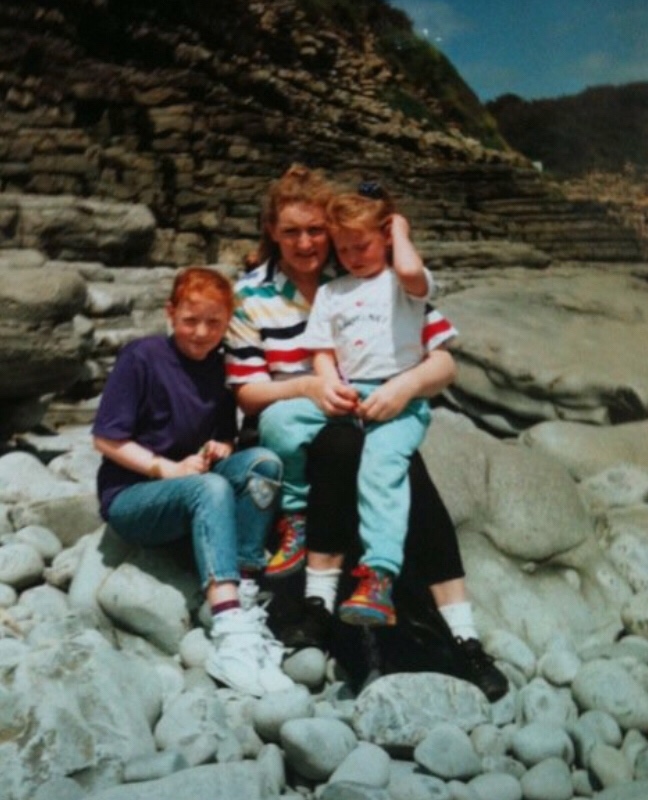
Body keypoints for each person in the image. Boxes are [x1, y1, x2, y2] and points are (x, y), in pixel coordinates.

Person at [226, 164, 508, 701]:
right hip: (292, 427)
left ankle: (462, 636)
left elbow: (442, 362)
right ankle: (328, 607)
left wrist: (404, 386)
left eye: (316, 230)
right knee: (346, 447)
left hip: (367, 409)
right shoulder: (252, 296)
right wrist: (310, 386)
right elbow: (247, 394)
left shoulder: (364, 270)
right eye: (291, 231)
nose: (307, 242)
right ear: (272, 233)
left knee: (406, 472)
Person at [253, 185, 453, 627]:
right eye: (342, 249)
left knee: (383, 469)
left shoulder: (404, 286)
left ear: (384, 236)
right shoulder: (332, 292)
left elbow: (412, 271)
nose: (352, 256)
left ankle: (379, 574)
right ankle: (296, 512)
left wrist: (399, 229)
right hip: (347, 392)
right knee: (279, 421)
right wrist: (326, 383)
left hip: (396, 396)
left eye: (361, 246)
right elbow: (322, 349)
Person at [92, 266, 294, 698]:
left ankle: (242, 588)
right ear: (171, 313)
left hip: (192, 481)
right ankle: (227, 627)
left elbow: (224, 433)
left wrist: (221, 446)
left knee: (264, 464)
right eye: (190, 320)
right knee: (211, 488)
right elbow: (107, 438)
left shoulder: (221, 369)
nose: (201, 332)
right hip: (133, 497)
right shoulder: (141, 357)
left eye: (213, 323)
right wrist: (165, 469)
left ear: (227, 322)